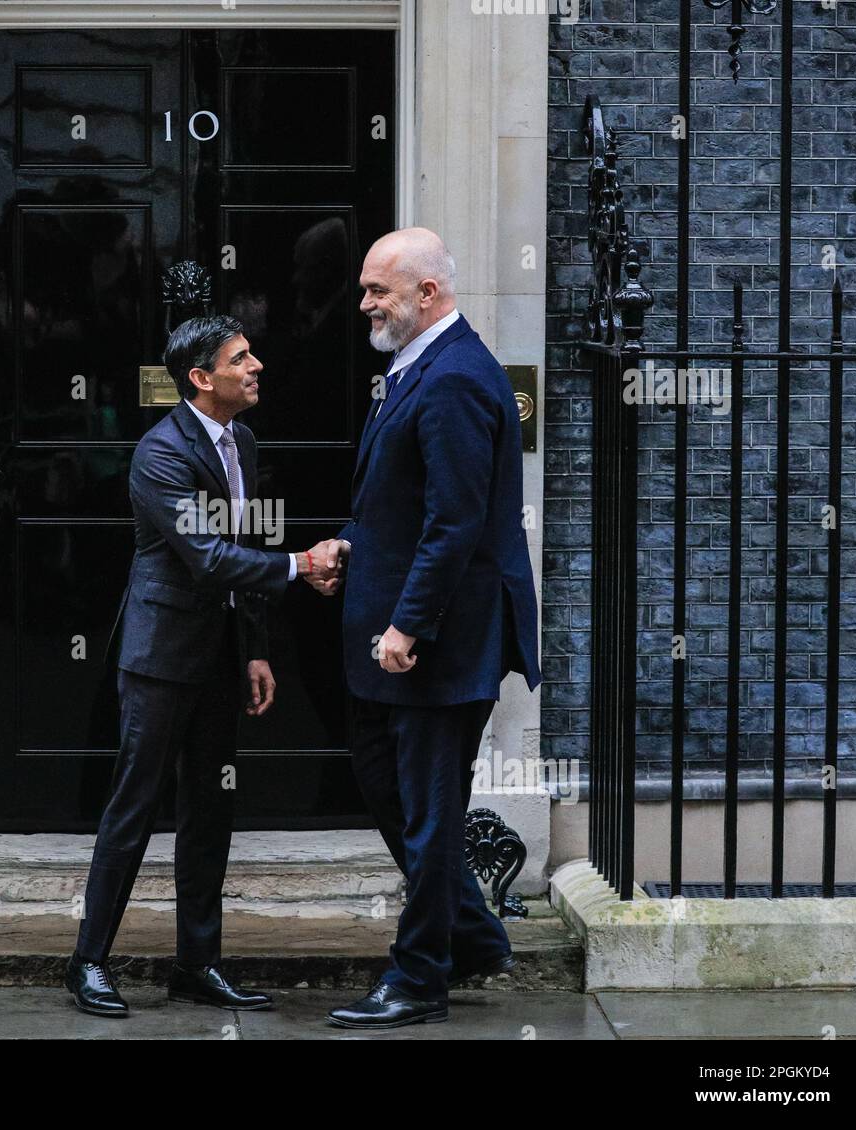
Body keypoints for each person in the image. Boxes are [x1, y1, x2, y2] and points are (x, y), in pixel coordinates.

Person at [64, 313, 344, 1017]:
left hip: (220, 657)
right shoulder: (160, 454)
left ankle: (198, 962)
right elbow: (210, 556)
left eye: (253, 354)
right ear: (200, 378)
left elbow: (239, 548)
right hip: (160, 659)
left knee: (211, 810)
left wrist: (254, 651)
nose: (257, 367)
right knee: (133, 807)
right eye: (241, 358)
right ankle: (89, 961)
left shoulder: (241, 442)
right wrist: (299, 564)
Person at [322, 227, 542, 1029]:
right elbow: (407, 503)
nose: (365, 305)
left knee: (428, 811)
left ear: (428, 293)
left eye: (378, 290)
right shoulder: (415, 367)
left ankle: (418, 979)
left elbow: (455, 523)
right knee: (393, 791)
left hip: (437, 643)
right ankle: (474, 935)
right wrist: (357, 543)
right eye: (365, 289)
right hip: (393, 630)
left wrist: (409, 626)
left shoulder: (453, 378)